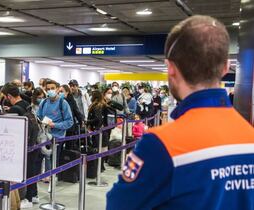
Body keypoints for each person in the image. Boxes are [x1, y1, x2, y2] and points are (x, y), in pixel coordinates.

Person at [106, 15, 254, 210]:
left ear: (171, 68)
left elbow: (118, 205)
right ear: (226, 67)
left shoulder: (160, 144)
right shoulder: (249, 136)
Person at [1, 83, 42, 209]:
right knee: (33, 170)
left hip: (24, 145)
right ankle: (34, 195)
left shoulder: (15, 109)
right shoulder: (26, 103)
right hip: (34, 143)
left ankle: (28, 199)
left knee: (27, 172)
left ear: (9, 96)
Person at [37, 79, 73, 150]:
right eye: (48, 89)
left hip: (57, 138)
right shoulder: (43, 102)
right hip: (44, 136)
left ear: (57, 89)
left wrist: (55, 125)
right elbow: (39, 116)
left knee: (54, 159)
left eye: (52, 88)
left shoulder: (63, 103)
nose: (50, 90)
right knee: (45, 158)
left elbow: (69, 122)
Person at [59, 84, 84, 149]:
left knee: (69, 147)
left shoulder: (71, 100)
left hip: (70, 127)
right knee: (59, 147)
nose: (60, 93)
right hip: (60, 128)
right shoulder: (58, 101)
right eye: (59, 92)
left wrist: (81, 122)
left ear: (67, 92)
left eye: (62, 91)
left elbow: (76, 112)